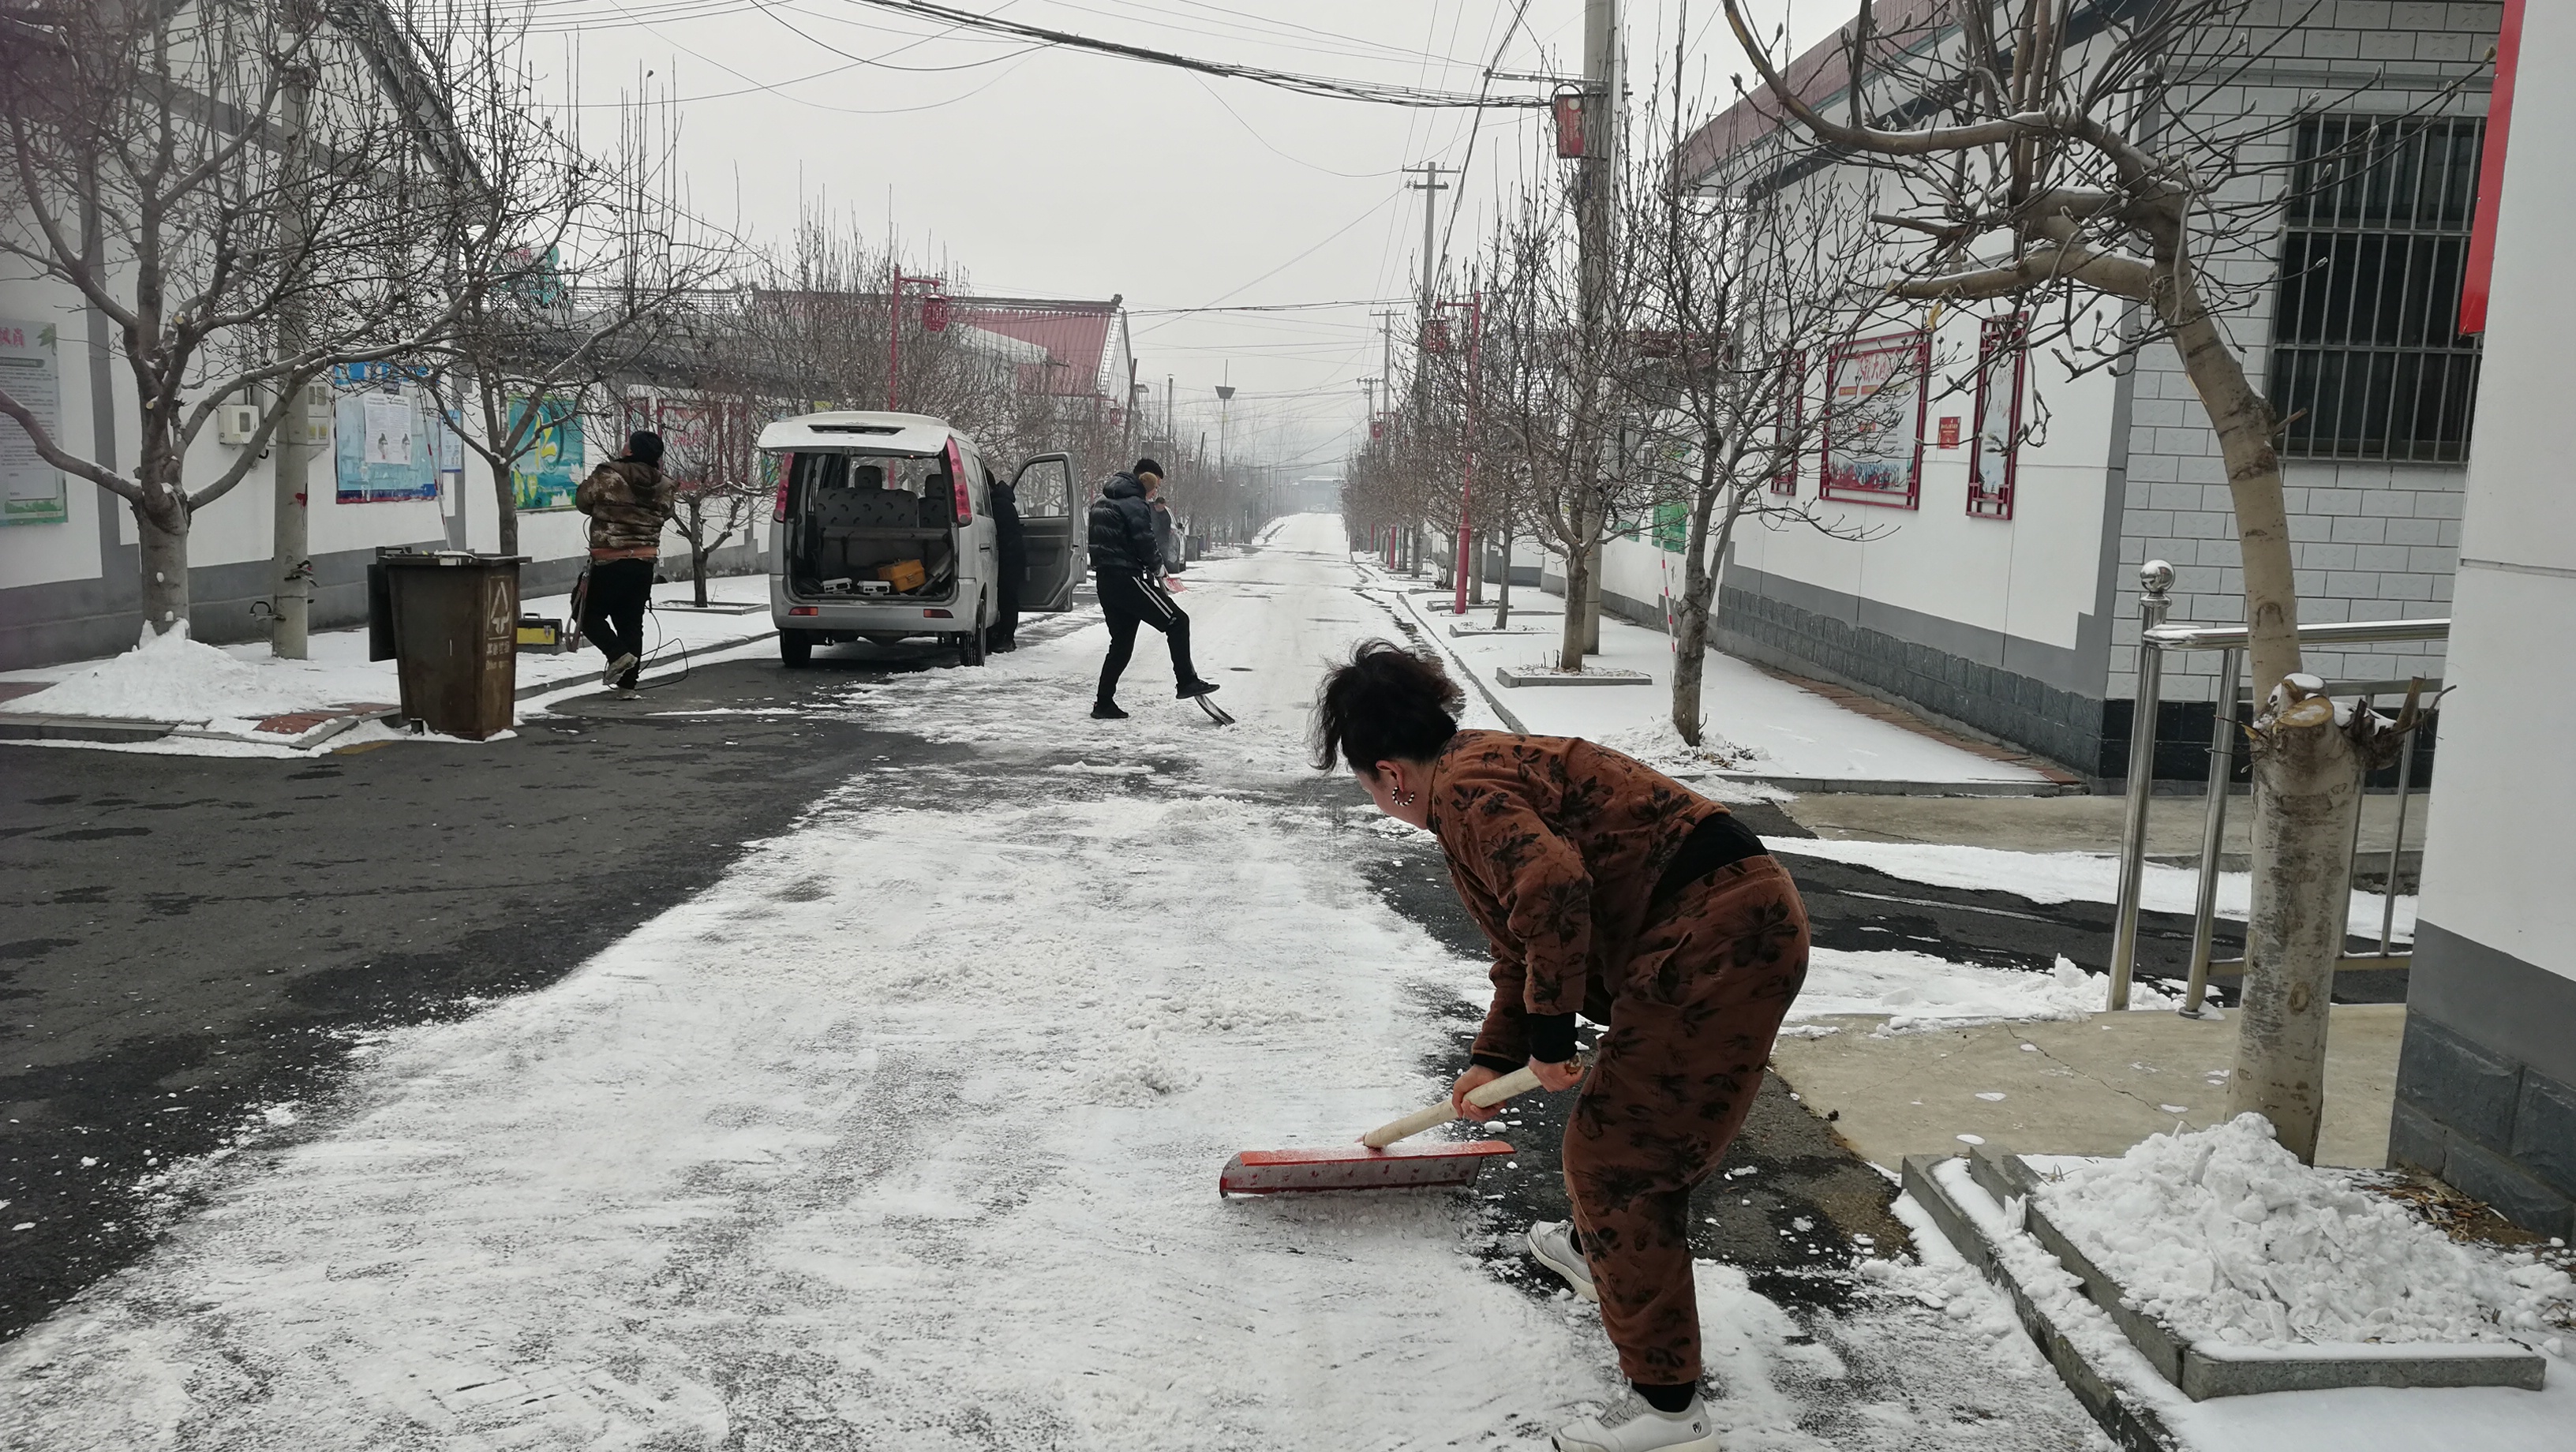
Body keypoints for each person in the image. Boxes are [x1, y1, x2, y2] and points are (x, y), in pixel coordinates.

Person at [1312, 641, 1810, 1452]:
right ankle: (1593, 1248)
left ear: (1389, 773)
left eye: (1368, 786)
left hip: (1718, 937)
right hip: (1707, 931)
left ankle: (1670, 1412)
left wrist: (1549, 1034)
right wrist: (1496, 1054)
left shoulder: (1467, 792)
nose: (1378, 800)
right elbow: (1524, 940)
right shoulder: (1472, 776)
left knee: (1622, 1158)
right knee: (1623, 1140)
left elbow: (1553, 887)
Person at [1086, 458, 1216, 719]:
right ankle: (1186, 681)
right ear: (1147, 480)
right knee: (1177, 621)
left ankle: (1104, 703)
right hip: (1128, 580)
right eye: (1157, 486)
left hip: (1106, 581)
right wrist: (1158, 567)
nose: (1156, 492)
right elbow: (1144, 542)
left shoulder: (1103, 501)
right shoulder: (1134, 504)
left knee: (1121, 644)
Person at [575, 430, 674, 695]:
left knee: (584, 611)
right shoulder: (665, 485)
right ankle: (628, 686)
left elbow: (583, 501)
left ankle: (617, 654)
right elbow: (667, 513)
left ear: (630, 451)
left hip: (609, 560)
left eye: (627, 443)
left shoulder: (608, 474)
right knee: (630, 622)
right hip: (644, 563)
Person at [987, 466, 1026, 653]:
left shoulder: (998, 506)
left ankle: (1007, 637)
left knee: (1006, 598)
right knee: (1005, 598)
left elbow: (1002, 536)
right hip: (1008, 556)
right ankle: (1001, 635)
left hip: (1008, 558)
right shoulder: (1001, 502)